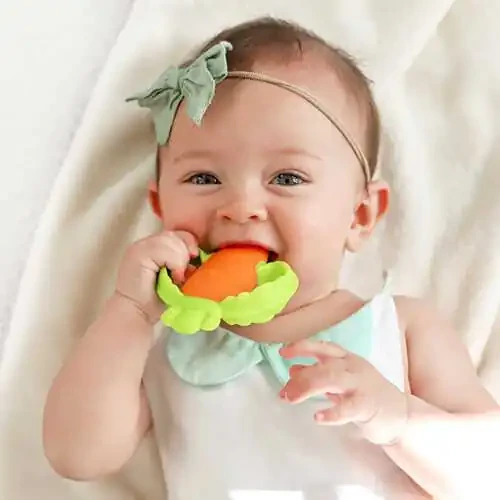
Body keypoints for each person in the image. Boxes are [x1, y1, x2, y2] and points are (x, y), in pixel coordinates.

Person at [42, 17, 499, 499]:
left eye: (287, 178)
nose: (241, 207)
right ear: (159, 206)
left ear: (360, 215)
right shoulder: (169, 348)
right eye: (203, 178)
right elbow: (76, 456)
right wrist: (130, 312)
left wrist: (400, 420)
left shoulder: (401, 327)